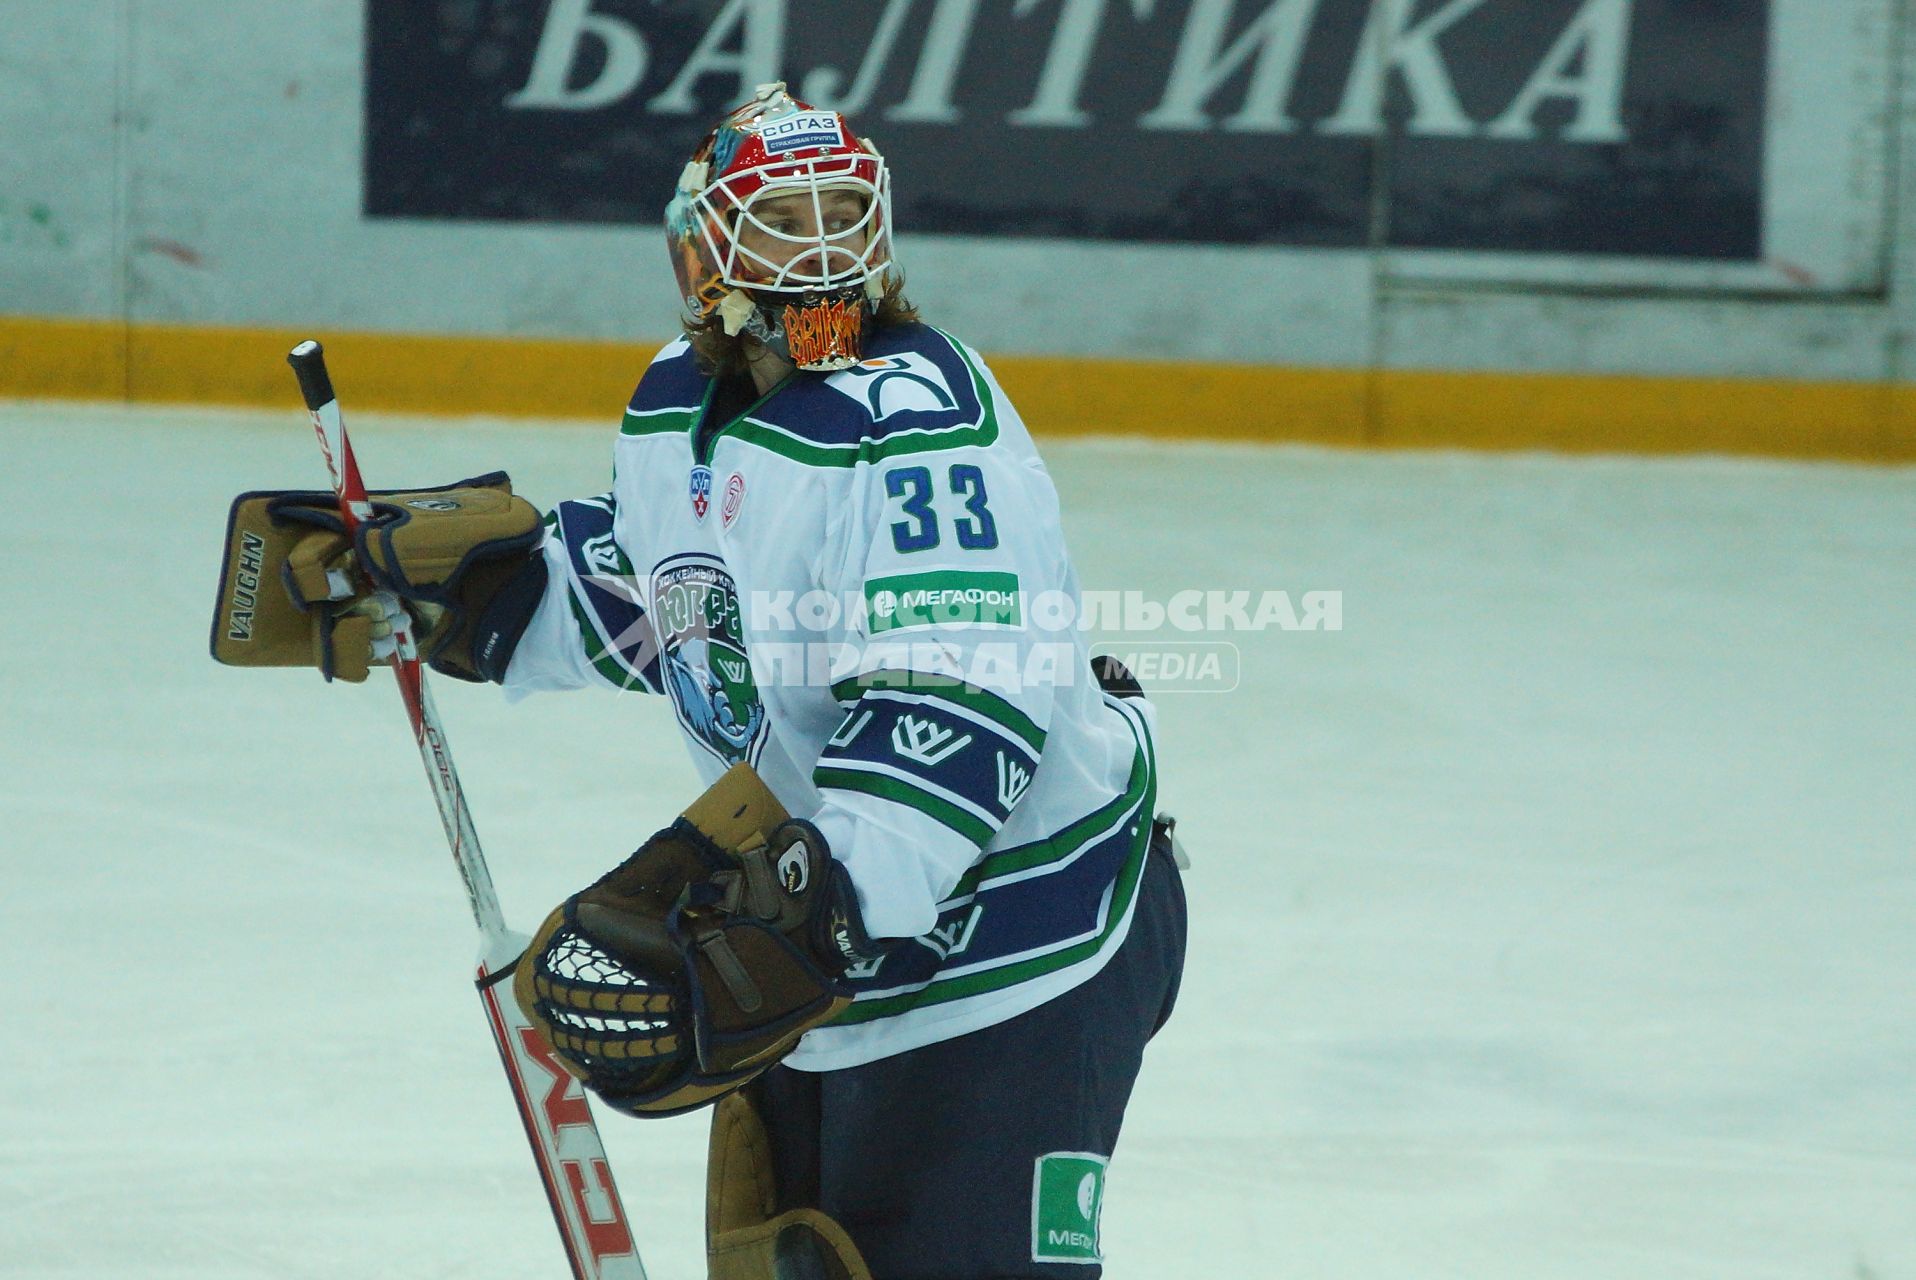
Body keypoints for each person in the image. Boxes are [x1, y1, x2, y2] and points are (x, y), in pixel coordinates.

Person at [214, 82, 1186, 1279]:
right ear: (701, 250)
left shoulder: (917, 418)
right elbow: (681, 613)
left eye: (843, 209)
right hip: (850, 947)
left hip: (1022, 945)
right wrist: (482, 598)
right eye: (782, 217)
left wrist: (813, 904)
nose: (822, 244)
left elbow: (960, 696)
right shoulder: (676, 404)